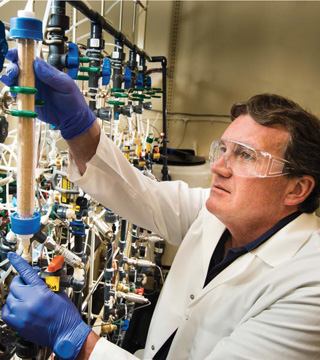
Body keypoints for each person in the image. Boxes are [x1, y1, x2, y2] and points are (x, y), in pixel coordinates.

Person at [1, 48, 320, 360]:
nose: (218, 167)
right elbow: (139, 194)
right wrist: (77, 125)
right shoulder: (219, 214)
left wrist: (79, 342)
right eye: (222, 150)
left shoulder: (309, 288)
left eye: (245, 155)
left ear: (297, 189)